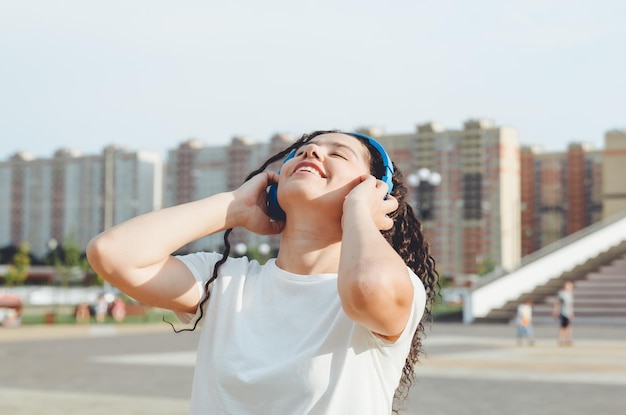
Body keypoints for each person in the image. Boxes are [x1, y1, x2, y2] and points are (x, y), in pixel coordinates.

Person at [87, 130, 438, 414]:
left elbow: (365, 288)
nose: (311, 153)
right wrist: (235, 208)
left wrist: (360, 211)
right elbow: (113, 254)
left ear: (376, 189)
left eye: (339, 153)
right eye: (302, 151)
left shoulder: (397, 282)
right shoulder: (225, 281)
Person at [553, 281, 574, 346]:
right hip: (563, 312)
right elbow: (557, 303)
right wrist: (555, 311)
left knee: (568, 326)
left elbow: (570, 304)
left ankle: (568, 339)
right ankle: (560, 339)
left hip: (568, 312)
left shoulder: (570, 294)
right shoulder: (561, 294)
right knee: (562, 327)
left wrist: (572, 312)